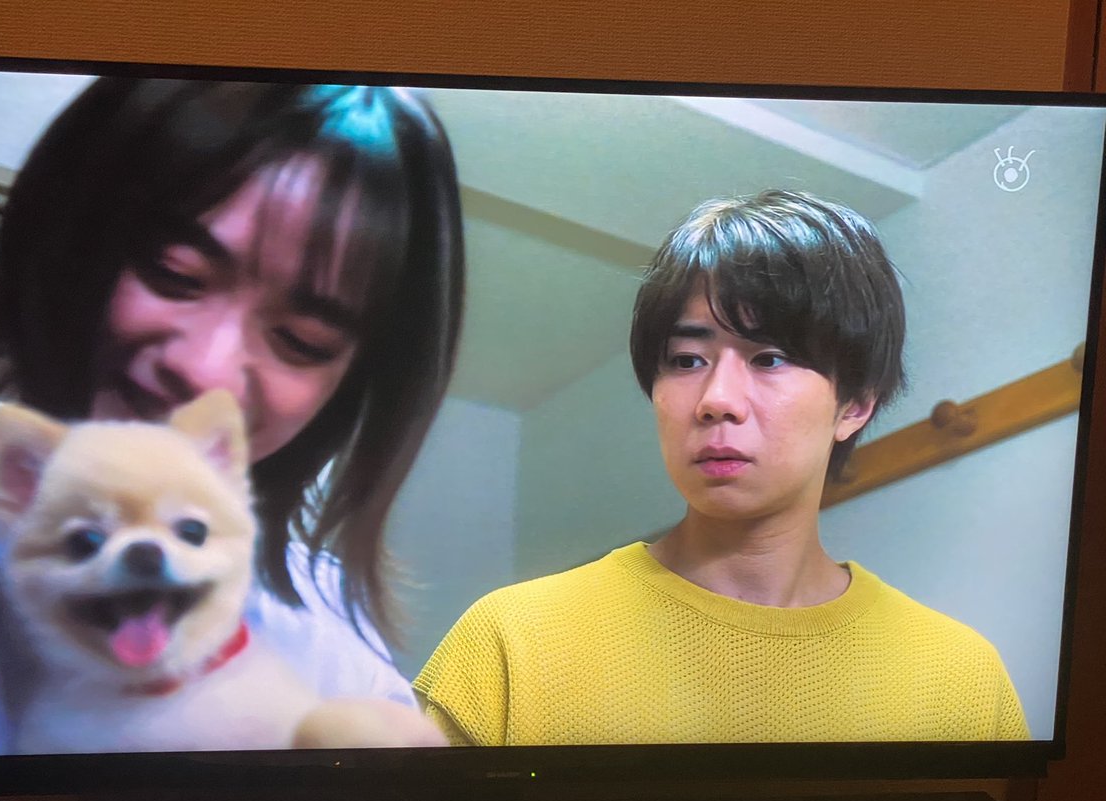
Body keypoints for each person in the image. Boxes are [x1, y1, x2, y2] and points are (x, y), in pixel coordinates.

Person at [0, 77, 464, 756]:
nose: (206, 371)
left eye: (301, 341)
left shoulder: (327, 619)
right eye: (174, 273)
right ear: (72, 232)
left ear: (350, 388)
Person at [414, 189, 1029, 746]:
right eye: (686, 360)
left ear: (855, 405)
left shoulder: (962, 679)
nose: (716, 400)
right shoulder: (512, 643)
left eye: (770, 358)